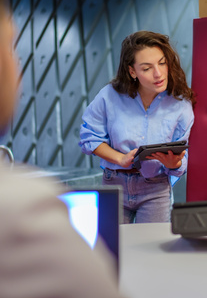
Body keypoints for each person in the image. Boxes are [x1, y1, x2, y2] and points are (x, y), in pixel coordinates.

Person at [0, 0, 127, 298]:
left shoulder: (175, 102)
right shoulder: (22, 210)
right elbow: (88, 137)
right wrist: (120, 157)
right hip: (121, 182)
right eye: (10, 45)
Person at [79, 31, 195, 223]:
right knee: (110, 250)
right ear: (132, 71)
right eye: (147, 68)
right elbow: (89, 138)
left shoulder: (180, 105)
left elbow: (183, 156)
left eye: (162, 63)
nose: (158, 74)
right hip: (114, 185)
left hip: (156, 189)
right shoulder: (109, 96)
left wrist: (174, 164)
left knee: (151, 250)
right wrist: (120, 158)